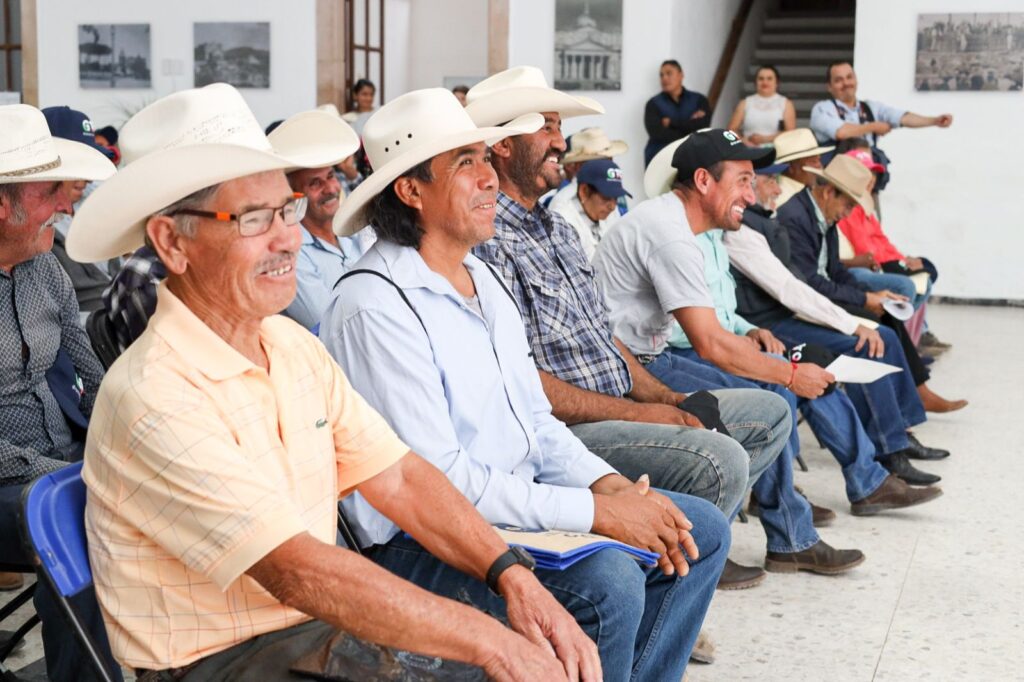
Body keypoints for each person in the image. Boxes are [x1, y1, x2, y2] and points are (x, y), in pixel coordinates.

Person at [68, 83, 598, 682]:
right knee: (495, 659)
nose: (288, 237)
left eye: (286, 209)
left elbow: (398, 476)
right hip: (216, 664)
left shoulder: (289, 345)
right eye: (253, 218)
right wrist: (491, 641)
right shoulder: (154, 391)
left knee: (538, 626)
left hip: (306, 629)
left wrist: (512, 574)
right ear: (172, 242)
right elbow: (297, 570)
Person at [322, 87, 729, 681]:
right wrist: (595, 513)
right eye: (465, 163)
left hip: (506, 506)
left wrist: (612, 488)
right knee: (608, 581)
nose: (488, 178)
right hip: (419, 542)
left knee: (702, 531)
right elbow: (440, 482)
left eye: (486, 158)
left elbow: (534, 420)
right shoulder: (374, 305)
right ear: (410, 191)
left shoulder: (483, 280)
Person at [466, 67, 793, 591]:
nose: (560, 141)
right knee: (721, 457)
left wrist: (670, 397)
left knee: (772, 411)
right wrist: (648, 412)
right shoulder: (488, 240)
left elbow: (606, 343)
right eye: (547, 127)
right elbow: (525, 387)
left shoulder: (558, 230)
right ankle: (671, 575)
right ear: (502, 146)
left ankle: (680, 554)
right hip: (568, 428)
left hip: (618, 397)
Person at [596, 129, 871, 575]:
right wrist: (790, 373)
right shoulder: (670, 236)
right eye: (743, 180)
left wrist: (775, 365)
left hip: (648, 357)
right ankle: (704, 546)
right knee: (774, 404)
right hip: (626, 369)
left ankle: (784, 534)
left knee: (774, 403)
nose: (752, 192)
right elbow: (710, 342)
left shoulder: (677, 225)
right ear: (704, 181)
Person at [725, 165, 953, 487]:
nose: (776, 190)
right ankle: (888, 453)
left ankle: (896, 438)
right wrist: (855, 316)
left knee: (880, 333)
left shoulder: (798, 219)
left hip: (784, 313)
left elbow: (824, 274)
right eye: (764, 182)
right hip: (773, 320)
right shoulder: (771, 222)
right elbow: (795, 287)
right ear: (829, 191)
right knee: (862, 343)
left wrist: (865, 300)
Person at [1, 102, 117, 681]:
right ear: (2, 204)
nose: (68, 204)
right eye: (52, 192)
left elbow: (91, 371)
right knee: (87, 519)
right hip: (10, 479)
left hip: (56, 465)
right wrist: (60, 469)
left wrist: (125, 430)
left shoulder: (45, 268)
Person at [776, 154, 967, 413]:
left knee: (887, 315)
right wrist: (865, 299)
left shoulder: (823, 216)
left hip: (821, 294)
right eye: (849, 205)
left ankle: (914, 396)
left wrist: (874, 293)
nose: (850, 213)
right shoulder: (795, 217)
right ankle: (906, 405)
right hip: (806, 304)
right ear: (829, 192)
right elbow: (810, 284)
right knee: (880, 332)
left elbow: (836, 271)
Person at [280, 115, 371, 328]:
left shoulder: (356, 231)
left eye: (331, 176)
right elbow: (331, 325)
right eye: (315, 183)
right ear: (295, 196)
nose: (330, 188)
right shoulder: (291, 252)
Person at [810, 62, 953, 147]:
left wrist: (934, 121)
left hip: (867, 182)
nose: (846, 83)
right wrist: (873, 127)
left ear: (856, 80)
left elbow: (902, 118)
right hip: (834, 186)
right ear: (829, 87)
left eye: (849, 77)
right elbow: (841, 132)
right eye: (838, 80)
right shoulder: (821, 109)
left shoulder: (872, 107)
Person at [549, 158, 630, 260]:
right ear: (584, 191)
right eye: (606, 197)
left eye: (616, 198)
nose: (612, 206)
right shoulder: (562, 220)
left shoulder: (610, 210)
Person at [643, 59, 712, 166]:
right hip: (660, 157)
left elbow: (702, 127)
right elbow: (657, 133)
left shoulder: (699, 100)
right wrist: (689, 126)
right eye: (661, 75)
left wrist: (671, 123)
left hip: (692, 156)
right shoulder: (653, 104)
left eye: (669, 73)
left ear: (681, 75)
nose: (664, 78)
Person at [727, 65, 796, 146]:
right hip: (748, 151)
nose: (765, 82)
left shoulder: (786, 103)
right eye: (761, 78)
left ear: (777, 82)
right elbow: (730, 130)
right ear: (755, 82)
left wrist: (765, 139)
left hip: (775, 151)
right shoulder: (745, 103)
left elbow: (791, 133)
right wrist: (742, 141)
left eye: (769, 78)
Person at [772, 128, 834, 209]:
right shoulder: (784, 199)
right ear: (791, 167)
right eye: (813, 161)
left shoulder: (806, 191)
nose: (819, 165)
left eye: (819, 160)